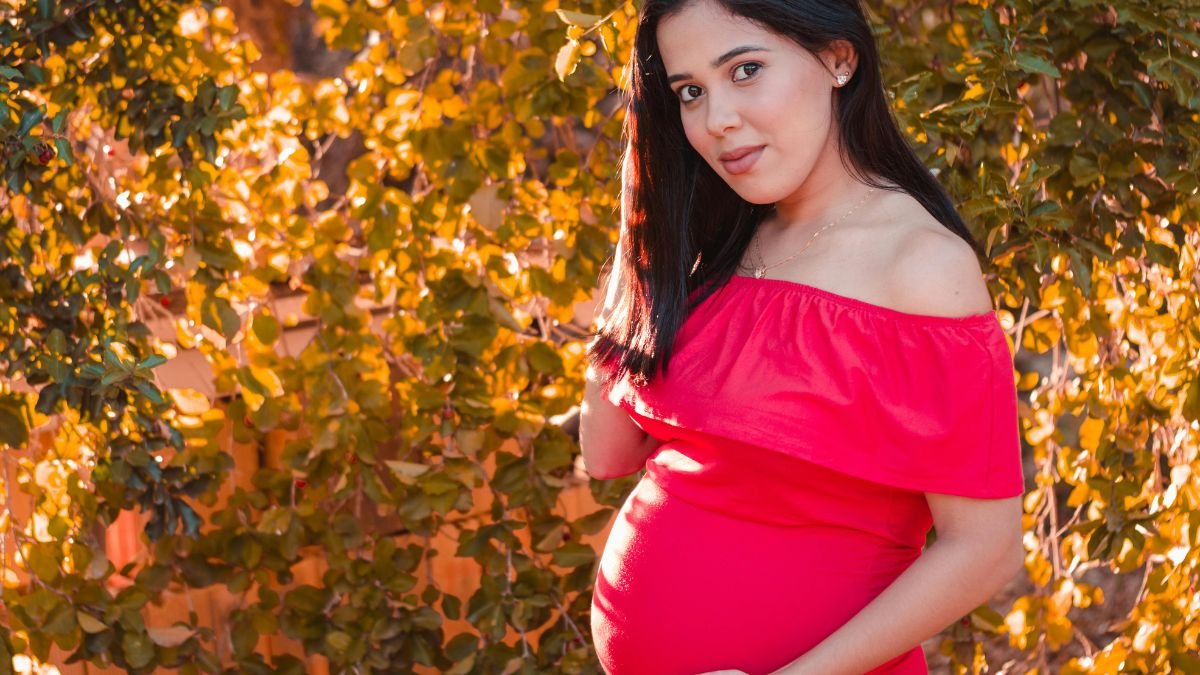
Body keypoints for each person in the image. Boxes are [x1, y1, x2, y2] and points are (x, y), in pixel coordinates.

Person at [578, 0, 1026, 673]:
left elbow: (985, 548)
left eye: (747, 70)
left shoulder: (921, 268)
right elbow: (607, 452)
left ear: (838, 59)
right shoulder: (719, 246)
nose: (717, 119)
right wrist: (644, 232)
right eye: (690, 92)